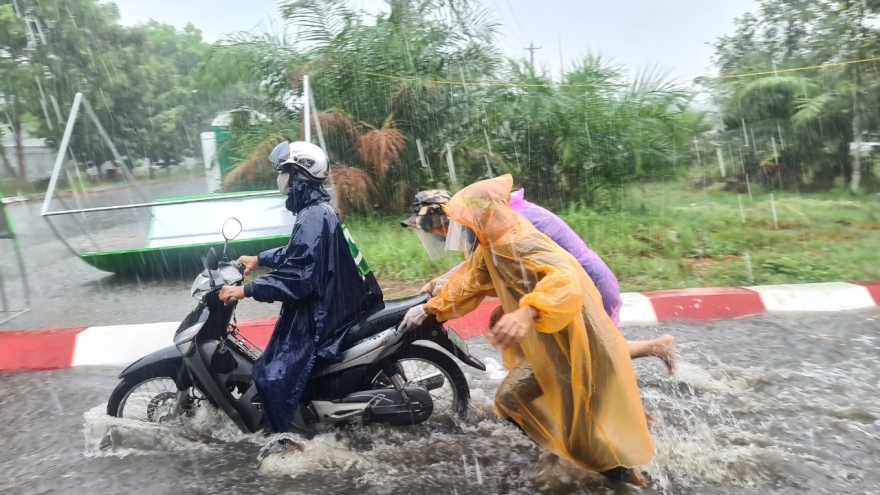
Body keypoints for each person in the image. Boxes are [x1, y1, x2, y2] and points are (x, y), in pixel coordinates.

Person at [398, 175, 655, 486]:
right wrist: (430, 309)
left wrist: (529, 310)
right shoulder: (490, 246)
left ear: (481, 216)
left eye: (462, 220)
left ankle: (626, 473)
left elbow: (565, 277)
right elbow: (469, 284)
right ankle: (584, 454)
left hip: (574, 334)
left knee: (581, 425)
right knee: (511, 402)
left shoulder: (518, 239)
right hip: (548, 341)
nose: (457, 229)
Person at [401, 188, 676, 372]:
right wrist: (446, 279)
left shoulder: (506, 222)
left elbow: (479, 274)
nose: (437, 235)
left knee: (588, 365)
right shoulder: (485, 218)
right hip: (566, 286)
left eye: (435, 228)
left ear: (442, 222)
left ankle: (632, 427)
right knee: (589, 356)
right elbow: (478, 264)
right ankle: (657, 348)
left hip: (581, 286)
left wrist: (432, 305)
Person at [219, 141, 383, 437]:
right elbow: (299, 253)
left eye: (284, 172)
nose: (280, 178)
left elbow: (298, 278)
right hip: (341, 301)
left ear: (298, 176)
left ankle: (290, 440)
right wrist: (260, 258)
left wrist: (246, 290)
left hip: (326, 311)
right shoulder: (317, 211)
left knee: (272, 373)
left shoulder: (313, 215)